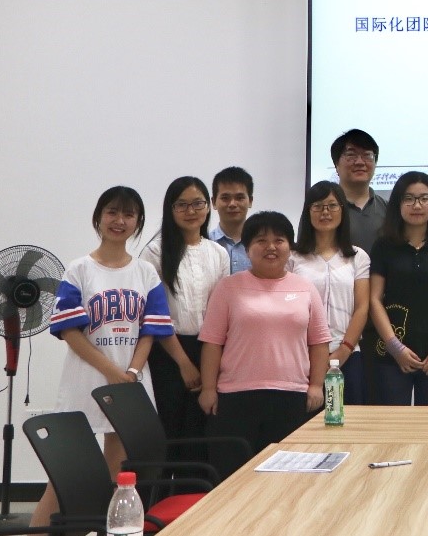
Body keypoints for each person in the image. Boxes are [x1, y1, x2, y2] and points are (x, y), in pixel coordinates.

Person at [28, 186, 172, 536]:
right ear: (98, 218)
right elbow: (69, 331)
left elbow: (150, 331)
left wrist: (132, 372)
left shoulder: (145, 273)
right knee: (62, 478)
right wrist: (112, 372)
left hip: (129, 385)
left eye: (128, 214)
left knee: (117, 477)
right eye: (112, 212)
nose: (119, 220)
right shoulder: (79, 269)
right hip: (86, 381)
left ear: (138, 222)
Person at [198, 211, 330, 479]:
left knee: (288, 478)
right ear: (247, 248)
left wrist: (316, 385)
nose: (271, 247)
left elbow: (319, 342)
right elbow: (212, 343)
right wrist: (209, 389)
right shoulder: (228, 287)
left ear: (290, 246)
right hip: (236, 397)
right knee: (233, 477)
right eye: (261, 240)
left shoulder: (305, 288)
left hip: (292, 396)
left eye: (279, 240)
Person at [139, 176, 228, 457]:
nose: (191, 211)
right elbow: (154, 314)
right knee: (169, 429)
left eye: (197, 203)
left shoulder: (218, 253)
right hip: (168, 351)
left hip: (208, 349)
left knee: (201, 431)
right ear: (171, 209)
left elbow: (221, 312)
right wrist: (184, 363)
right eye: (182, 205)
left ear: (208, 206)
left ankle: (197, 486)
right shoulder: (154, 252)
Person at [368, 171, 428, 405]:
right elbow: (374, 299)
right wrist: (395, 347)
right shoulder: (384, 245)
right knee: (391, 423)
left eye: (424, 198)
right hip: (392, 354)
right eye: (409, 199)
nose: (417, 205)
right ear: (398, 203)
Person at [291, 180, 370, 406]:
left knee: (346, 420)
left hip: (347, 354)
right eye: (317, 206)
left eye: (332, 205)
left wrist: (344, 351)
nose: (325, 212)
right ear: (308, 212)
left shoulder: (357, 256)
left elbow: (362, 307)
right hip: (302, 354)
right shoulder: (293, 258)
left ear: (343, 210)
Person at [331, 128, 386, 253]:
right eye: (351, 155)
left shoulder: (387, 209)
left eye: (367, 155)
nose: (360, 162)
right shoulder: (322, 209)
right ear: (336, 164)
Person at [209, 166, 254, 274]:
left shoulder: (261, 245)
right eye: (225, 198)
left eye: (239, 198)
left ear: (250, 201)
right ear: (214, 202)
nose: (232, 204)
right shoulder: (206, 243)